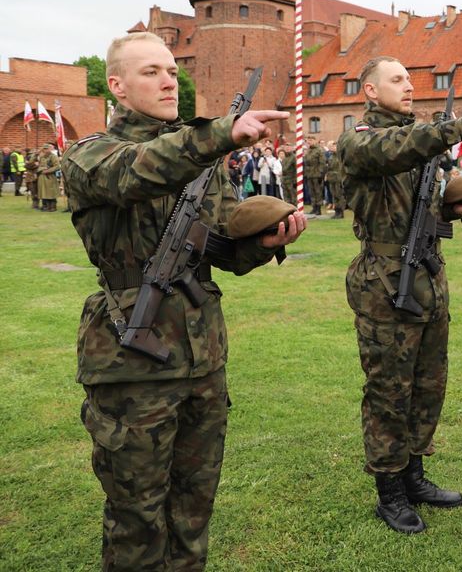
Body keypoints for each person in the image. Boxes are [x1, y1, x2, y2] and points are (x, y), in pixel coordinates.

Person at [61, 31, 305, 571]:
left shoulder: (202, 159)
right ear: (118, 87)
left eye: (172, 70)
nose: (169, 79)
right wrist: (217, 135)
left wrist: (263, 246)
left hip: (202, 358)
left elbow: (218, 252)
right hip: (133, 363)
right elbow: (134, 173)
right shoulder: (88, 155)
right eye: (151, 72)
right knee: (137, 521)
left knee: (194, 511)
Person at [338, 55, 462, 534]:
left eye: (410, 78)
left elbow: (419, 206)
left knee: (428, 384)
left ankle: (414, 476)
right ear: (370, 91)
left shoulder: (419, 143)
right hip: (384, 283)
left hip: (427, 278)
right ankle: (389, 492)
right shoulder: (362, 140)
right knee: (389, 391)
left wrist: (453, 210)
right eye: (397, 80)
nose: (409, 86)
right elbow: (396, 149)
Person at [303, 136, 328, 215]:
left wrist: (321, 174)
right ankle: (314, 207)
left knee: (318, 192)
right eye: (308, 140)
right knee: (312, 192)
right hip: (309, 174)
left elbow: (322, 163)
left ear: (315, 140)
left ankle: (318, 208)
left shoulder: (319, 150)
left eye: (311, 140)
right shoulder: (309, 150)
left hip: (317, 174)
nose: (309, 142)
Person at [325, 139, 345, 219]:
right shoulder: (331, 156)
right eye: (331, 146)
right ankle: (336, 211)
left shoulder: (340, 156)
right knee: (334, 195)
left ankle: (341, 212)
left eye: (333, 146)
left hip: (338, 178)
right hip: (332, 178)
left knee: (339, 195)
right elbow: (329, 167)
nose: (332, 148)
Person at [38, 144, 62, 212]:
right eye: (44, 149)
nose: (46, 150)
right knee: (43, 192)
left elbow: (57, 166)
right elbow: (39, 165)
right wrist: (41, 169)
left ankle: (52, 207)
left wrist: (47, 171)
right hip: (42, 177)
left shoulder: (53, 156)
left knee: (51, 192)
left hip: (50, 177)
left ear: (50, 149)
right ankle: (45, 206)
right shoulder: (42, 157)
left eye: (47, 148)